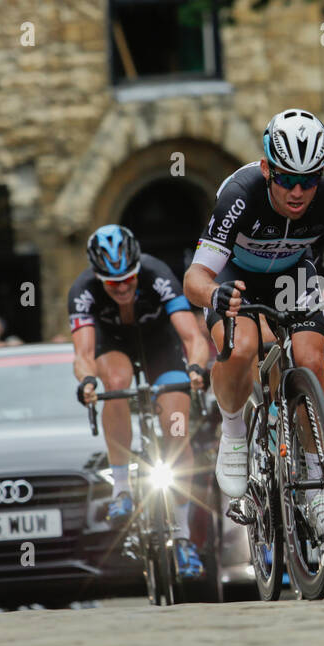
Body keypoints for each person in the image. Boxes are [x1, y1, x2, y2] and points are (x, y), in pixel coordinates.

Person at [183, 109, 324, 573]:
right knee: (242, 346)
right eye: (286, 180)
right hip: (236, 280)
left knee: (311, 359)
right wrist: (214, 294)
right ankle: (234, 430)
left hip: (296, 278)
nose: (298, 192)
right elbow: (194, 277)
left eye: (308, 180)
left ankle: (317, 484)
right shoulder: (240, 194)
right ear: (267, 169)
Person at [71, 224, 212, 579]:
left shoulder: (157, 274)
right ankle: (121, 489)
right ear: (98, 277)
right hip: (113, 345)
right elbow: (83, 353)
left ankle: (182, 536)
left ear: (137, 269)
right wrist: (87, 380)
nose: (122, 288)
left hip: (159, 347)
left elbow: (192, 335)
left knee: (176, 428)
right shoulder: (83, 290)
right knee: (115, 384)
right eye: (112, 282)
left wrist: (196, 367)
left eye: (128, 280)